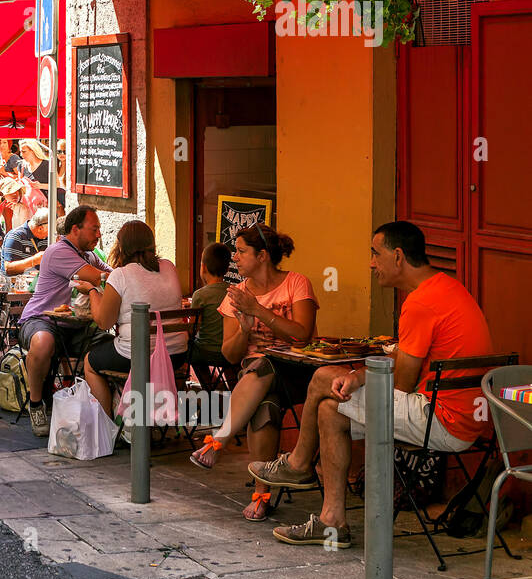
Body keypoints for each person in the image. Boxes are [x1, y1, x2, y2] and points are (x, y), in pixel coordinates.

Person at [257, 222, 493, 549]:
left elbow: (403, 383)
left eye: (374, 253)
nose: (371, 263)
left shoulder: (421, 303)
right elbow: (401, 362)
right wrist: (356, 378)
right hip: (466, 419)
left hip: (441, 420)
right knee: (329, 410)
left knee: (323, 377)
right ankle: (332, 523)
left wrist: (355, 377)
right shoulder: (446, 288)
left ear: (397, 257)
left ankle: (298, 465)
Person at [186, 223, 317, 522]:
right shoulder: (236, 294)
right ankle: (262, 496)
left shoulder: (297, 283)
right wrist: (244, 332)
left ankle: (218, 439)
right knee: (264, 408)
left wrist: (258, 312)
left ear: (262, 256)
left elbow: (303, 336)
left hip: (297, 372)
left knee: (266, 362)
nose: (235, 258)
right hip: (256, 380)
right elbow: (229, 355)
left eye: (242, 251)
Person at [79, 220, 191, 417]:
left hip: (137, 356)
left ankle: (108, 425)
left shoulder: (120, 275)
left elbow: (104, 322)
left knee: (90, 363)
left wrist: (92, 291)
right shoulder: (169, 267)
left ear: (122, 246)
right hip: (177, 353)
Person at [17, 206, 111, 435]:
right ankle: (36, 404)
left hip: (75, 327)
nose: (98, 234)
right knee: (43, 342)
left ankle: (102, 415)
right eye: (94, 229)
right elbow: (99, 277)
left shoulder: (88, 256)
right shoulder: (59, 251)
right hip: (40, 319)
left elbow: (112, 274)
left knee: (111, 345)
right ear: (75, 229)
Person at [187, 242, 232, 386]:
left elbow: (193, 329)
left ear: (203, 267)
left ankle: (210, 384)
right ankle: (230, 385)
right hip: (230, 351)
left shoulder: (200, 295)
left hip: (207, 352)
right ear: (227, 269)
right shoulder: (235, 291)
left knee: (188, 350)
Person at [1, 208, 49, 276]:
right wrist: (34, 261)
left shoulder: (47, 238)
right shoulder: (16, 236)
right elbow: (8, 268)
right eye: (50, 229)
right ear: (40, 228)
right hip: (15, 284)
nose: (52, 233)